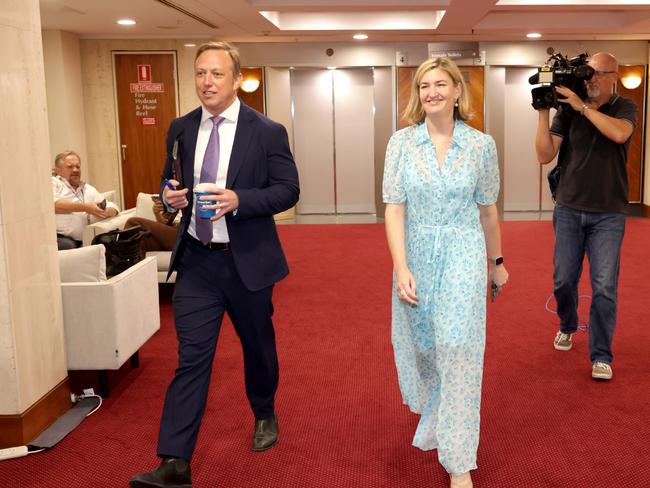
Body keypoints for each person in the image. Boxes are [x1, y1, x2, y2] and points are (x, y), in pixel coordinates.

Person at [130, 41, 299, 488]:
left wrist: (241, 199)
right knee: (191, 359)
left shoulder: (266, 131)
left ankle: (264, 412)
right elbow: (171, 183)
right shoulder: (181, 129)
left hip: (247, 263)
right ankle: (174, 462)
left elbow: (288, 189)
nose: (207, 82)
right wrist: (168, 198)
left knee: (258, 348)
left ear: (236, 78)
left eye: (216, 74)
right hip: (199, 264)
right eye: (201, 73)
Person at [383, 57, 508, 488]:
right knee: (424, 348)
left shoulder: (481, 145)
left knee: (458, 349)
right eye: (423, 86)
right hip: (416, 253)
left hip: (463, 252)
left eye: (441, 84)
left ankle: (459, 459)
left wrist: (497, 264)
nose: (432, 92)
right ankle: (437, 412)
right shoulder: (401, 143)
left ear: (458, 91)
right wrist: (400, 266)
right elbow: (394, 209)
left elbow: (487, 210)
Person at [535, 52, 637, 381]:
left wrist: (582, 107)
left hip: (608, 213)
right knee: (563, 280)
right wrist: (543, 111)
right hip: (568, 208)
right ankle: (567, 325)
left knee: (604, 286)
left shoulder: (624, 107)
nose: (590, 78)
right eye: (587, 72)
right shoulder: (567, 112)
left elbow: (619, 134)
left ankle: (601, 354)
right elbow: (544, 154)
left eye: (596, 73)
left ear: (613, 76)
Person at [52, 150, 119, 249]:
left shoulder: (87, 188)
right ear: (58, 170)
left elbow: (113, 206)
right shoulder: (54, 183)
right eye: (70, 167)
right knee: (69, 246)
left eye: (78, 166)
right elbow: (54, 205)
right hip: (60, 238)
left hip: (87, 238)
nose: (75, 170)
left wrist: (106, 211)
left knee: (113, 240)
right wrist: (86, 208)